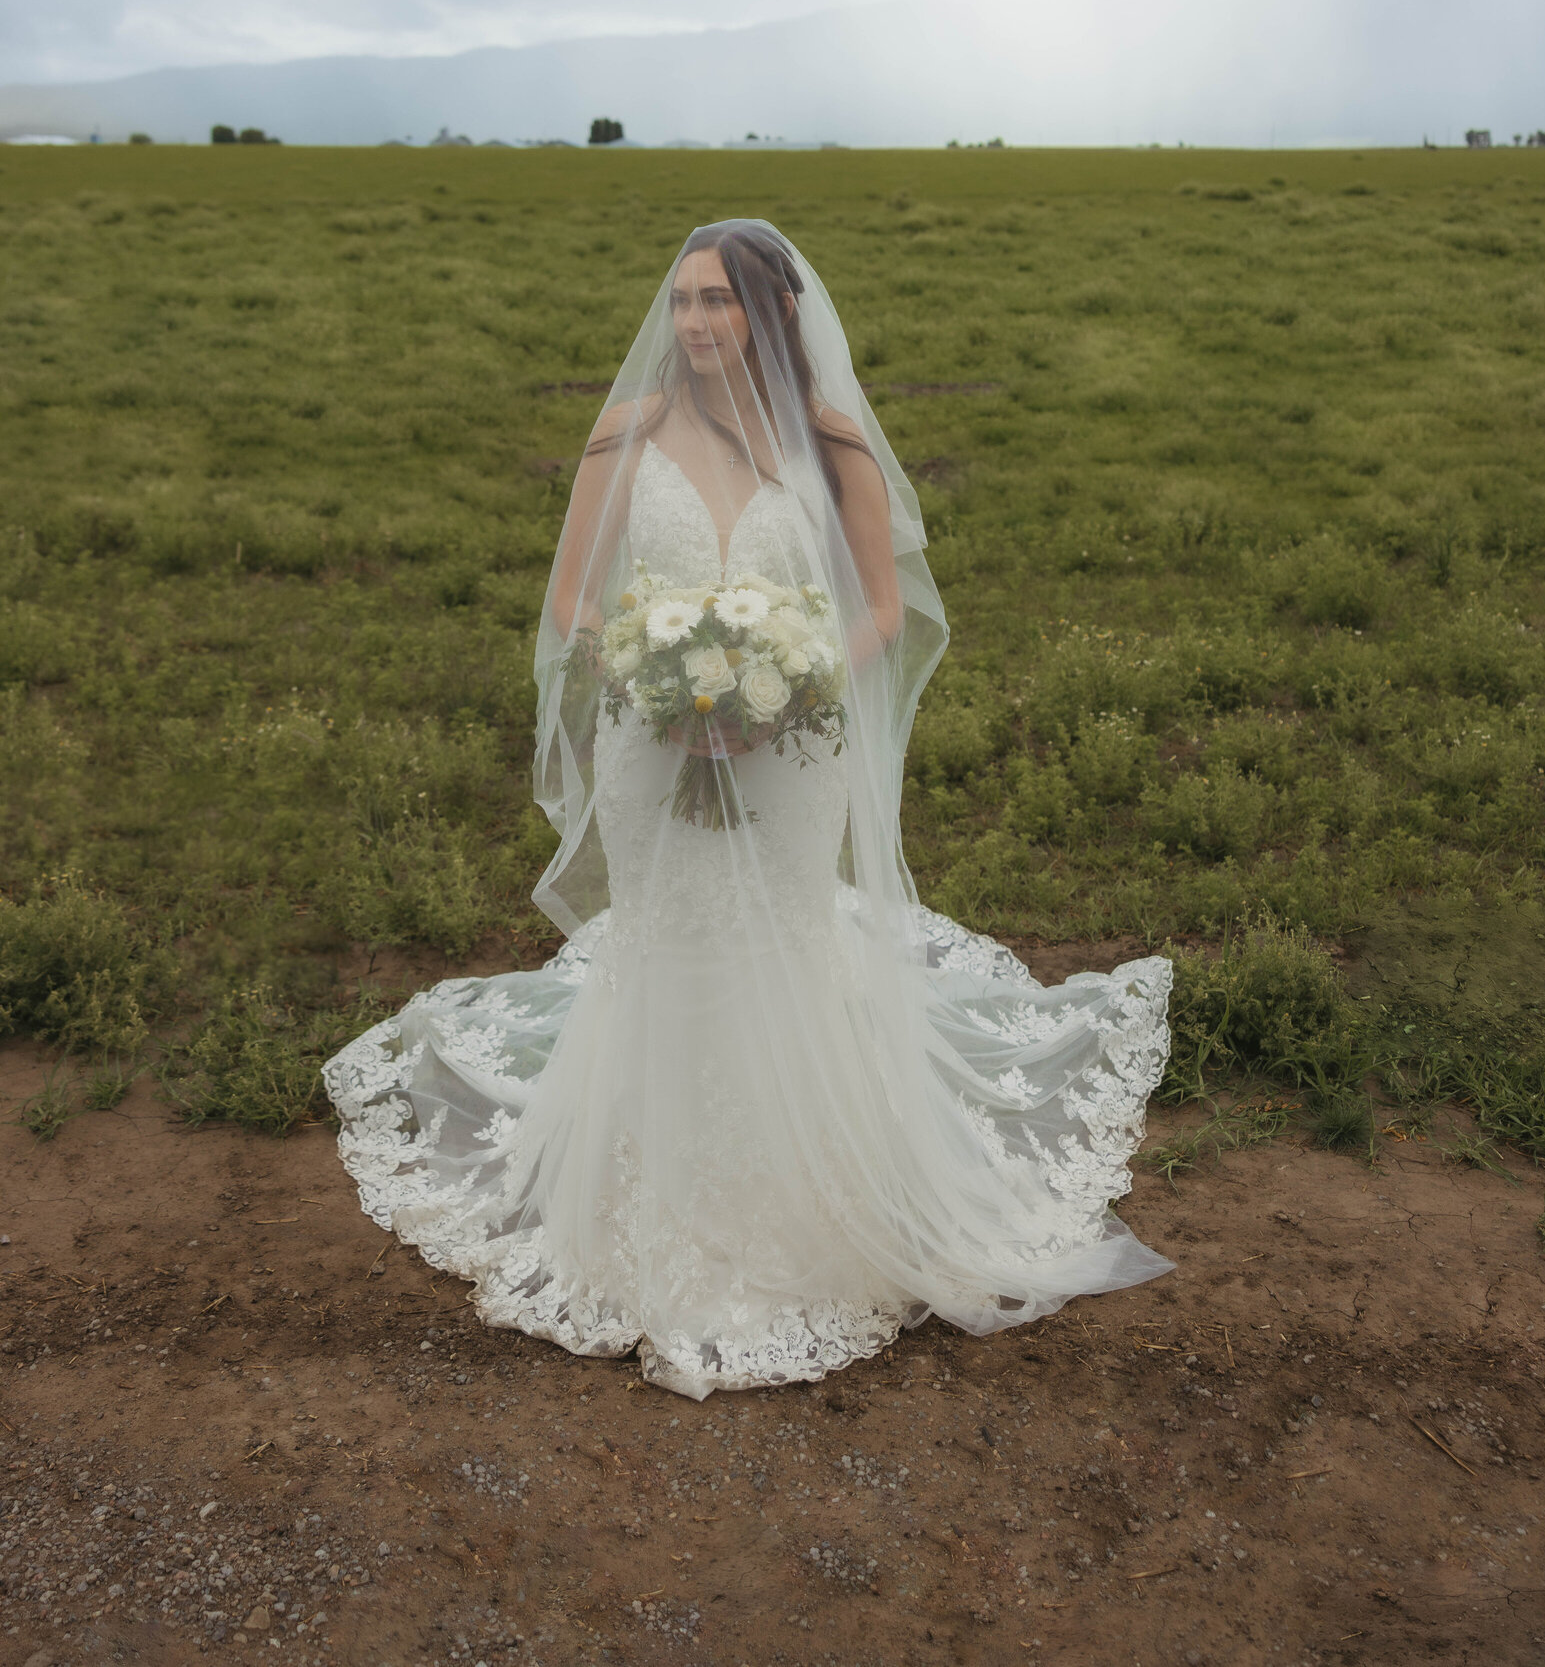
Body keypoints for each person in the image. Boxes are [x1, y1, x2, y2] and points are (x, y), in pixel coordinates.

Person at [324, 219, 1171, 1400]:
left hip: (788, 744)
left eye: (718, 300)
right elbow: (573, 594)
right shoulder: (625, 433)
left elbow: (882, 607)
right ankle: (650, 1195)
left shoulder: (831, 447)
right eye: (679, 301)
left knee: (776, 937)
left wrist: (791, 683)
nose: (694, 323)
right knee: (667, 938)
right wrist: (645, 678)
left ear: (772, 313)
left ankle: (796, 1194)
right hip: (648, 736)